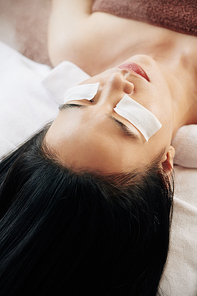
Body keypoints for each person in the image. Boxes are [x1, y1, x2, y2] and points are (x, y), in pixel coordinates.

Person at [0, 0, 197, 295]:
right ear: (164, 167)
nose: (116, 81)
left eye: (80, 101)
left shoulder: (75, 44)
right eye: (126, 117)